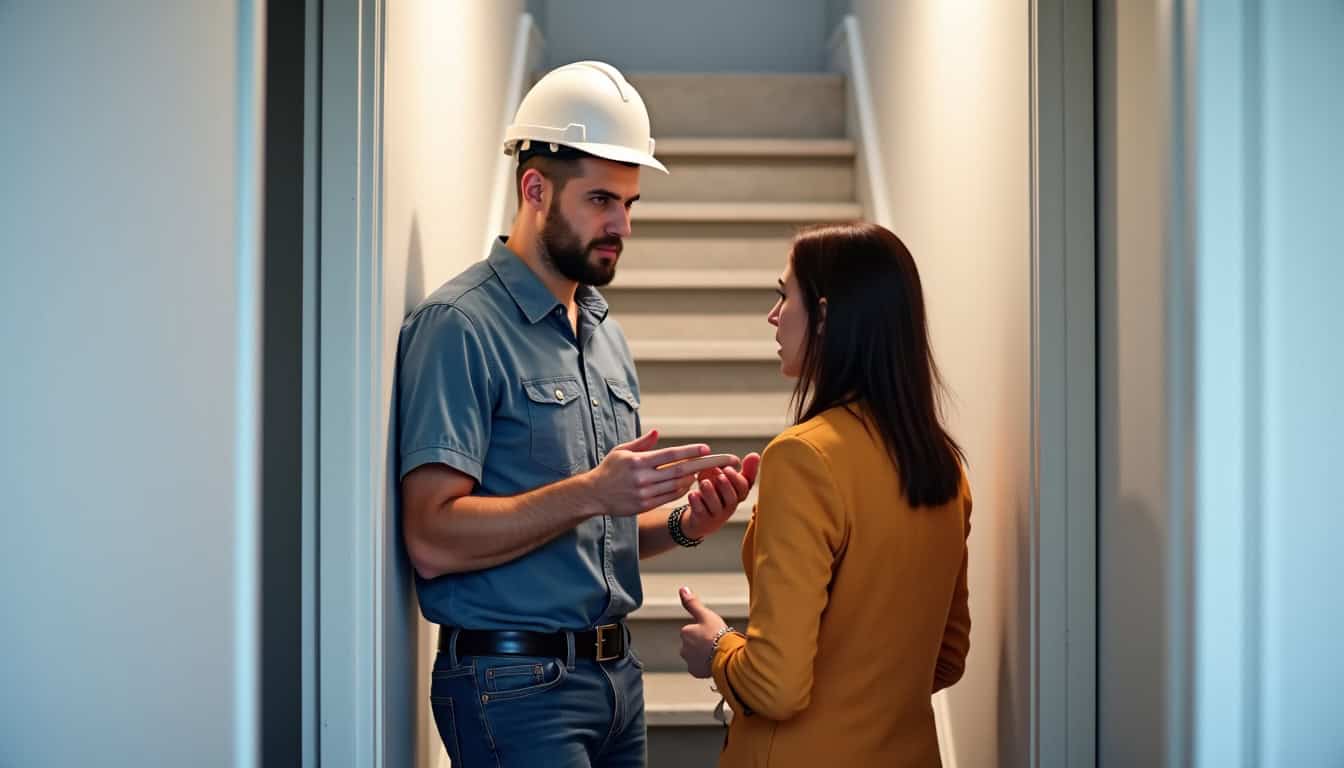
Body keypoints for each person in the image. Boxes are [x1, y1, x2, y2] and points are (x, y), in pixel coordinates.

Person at [397, 61, 761, 767]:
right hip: (513, 685)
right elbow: (432, 536)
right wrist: (595, 490)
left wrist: (684, 524)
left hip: (616, 679)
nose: (620, 224)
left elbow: (591, 529)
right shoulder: (460, 326)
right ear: (535, 189)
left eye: (628, 203)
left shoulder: (602, 333)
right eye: (600, 200)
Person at [677, 222, 972, 767]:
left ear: (828, 316)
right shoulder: (943, 468)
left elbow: (775, 687)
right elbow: (947, 659)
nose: (773, 315)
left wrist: (717, 647)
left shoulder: (803, 458)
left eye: (783, 295)